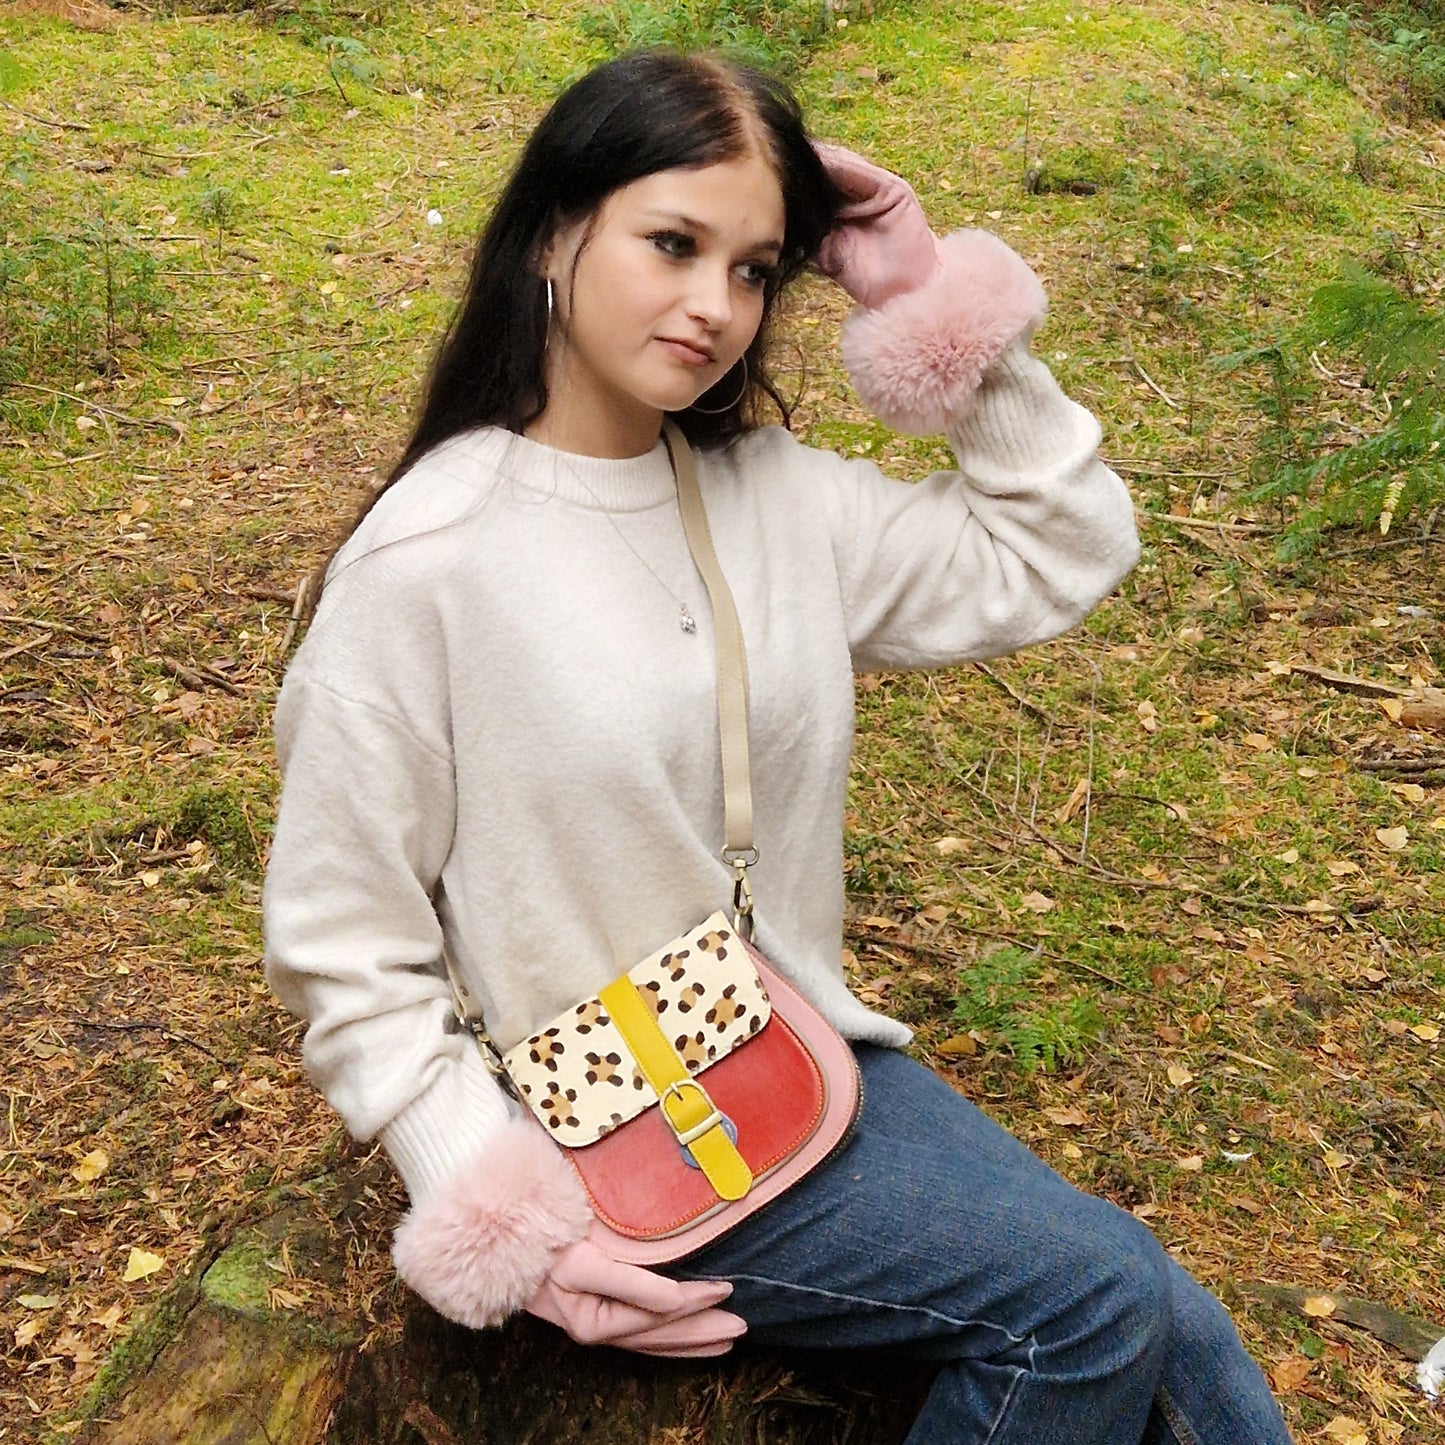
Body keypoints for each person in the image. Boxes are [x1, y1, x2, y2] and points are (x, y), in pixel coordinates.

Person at [262, 48, 1294, 1445]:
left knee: (1177, 1321)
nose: (712, 306)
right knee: (1096, 1299)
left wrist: (928, 299)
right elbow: (342, 943)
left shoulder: (772, 503)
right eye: (672, 243)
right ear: (556, 231)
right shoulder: (429, 564)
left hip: (791, 1052)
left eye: (753, 269)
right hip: (606, 1131)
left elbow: (1065, 545)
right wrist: (490, 1201)